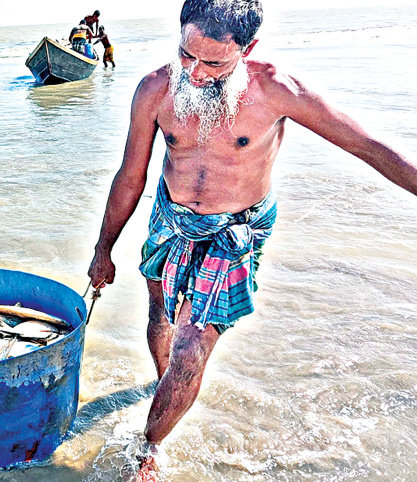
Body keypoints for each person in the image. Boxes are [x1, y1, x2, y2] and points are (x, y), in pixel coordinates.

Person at [86, 0, 417, 480]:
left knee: (191, 348)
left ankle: (148, 447)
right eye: (186, 54)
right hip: (170, 219)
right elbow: (130, 175)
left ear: (248, 48)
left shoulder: (277, 90)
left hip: (236, 231)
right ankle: (168, 387)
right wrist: (103, 249)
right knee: (160, 314)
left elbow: (365, 145)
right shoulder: (156, 89)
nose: (195, 73)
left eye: (213, 62)